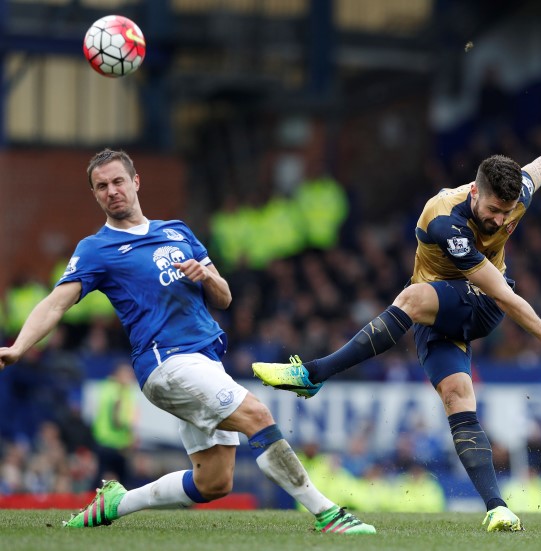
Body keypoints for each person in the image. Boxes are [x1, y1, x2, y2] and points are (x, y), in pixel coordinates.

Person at [0, 149, 374, 534]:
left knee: (214, 482)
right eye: (101, 186)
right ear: (95, 195)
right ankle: (329, 514)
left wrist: (206, 276)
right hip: (167, 363)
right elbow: (55, 303)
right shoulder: (96, 248)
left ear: (135, 182)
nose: (111, 191)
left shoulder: (177, 231)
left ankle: (117, 501)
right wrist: (18, 347)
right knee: (258, 416)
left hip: (206, 361)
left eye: (117, 181)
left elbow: (224, 297)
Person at [253, 127, 541, 531]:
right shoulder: (444, 219)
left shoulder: (515, 193)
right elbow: (502, 294)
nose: (499, 219)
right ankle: (497, 507)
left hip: (479, 304)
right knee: (457, 396)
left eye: (506, 212)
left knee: (412, 298)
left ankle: (312, 374)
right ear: (474, 191)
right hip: (447, 310)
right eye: (493, 209)